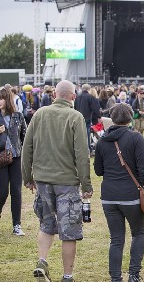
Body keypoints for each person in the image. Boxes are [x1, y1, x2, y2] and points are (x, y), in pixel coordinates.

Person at [21, 80, 92, 282]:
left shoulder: (39, 114)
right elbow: (82, 154)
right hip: (67, 183)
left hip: (42, 181)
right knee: (68, 231)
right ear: (73, 97)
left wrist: (27, 177)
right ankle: (67, 275)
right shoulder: (75, 117)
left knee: (46, 224)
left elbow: (27, 148)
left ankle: (42, 261)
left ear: (54, 95)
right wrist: (86, 185)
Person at [94, 103, 144, 282]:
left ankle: (115, 278)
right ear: (130, 118)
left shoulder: (103, 140)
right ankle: (134, 274)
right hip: (131, 195)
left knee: (116, 239)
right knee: (138, 233)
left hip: (109, 197)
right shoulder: (135, 138)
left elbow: (98, 170)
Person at [0, 86, 27, 236]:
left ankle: (17, 224)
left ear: (7, 99)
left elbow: (25, 135)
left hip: (16, 156)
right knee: (2, 191)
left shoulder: (18, 115)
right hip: (1, 158)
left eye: (1, 98)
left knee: (16, 191)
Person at [74, 84, 101, 156]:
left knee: (79, 135)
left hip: (78, 119)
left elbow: (75, 108)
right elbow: (95, 109)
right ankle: (88, 150)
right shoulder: (90, 97)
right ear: (89, 89)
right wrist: (99, 116)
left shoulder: (77, 97)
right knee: (87, 135)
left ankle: (80, 150)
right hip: (87, 119)